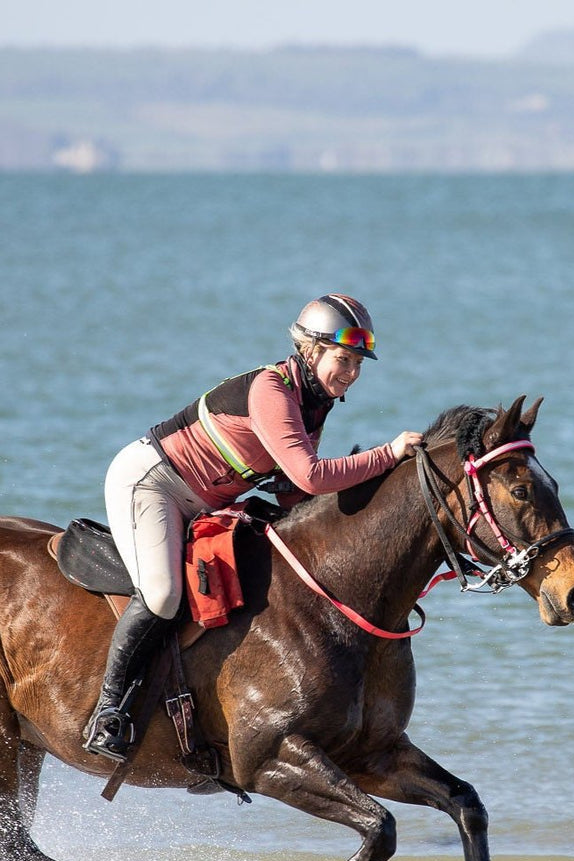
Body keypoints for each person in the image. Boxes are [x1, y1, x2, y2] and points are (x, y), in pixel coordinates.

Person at [84, 293, 423, 762]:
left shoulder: (314, 404)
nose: (352, 373)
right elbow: (310, 475)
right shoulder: (272, 389)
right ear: (311, 351)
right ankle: (108, 713)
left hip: (209, 501)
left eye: (358, 364)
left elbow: (292, 492)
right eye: (343, 359)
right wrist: (389, 454)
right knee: (163, 596)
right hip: (151, 483)